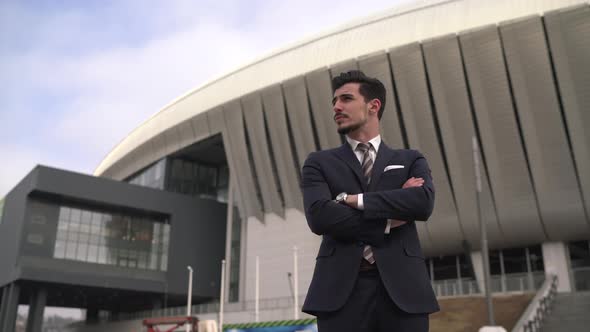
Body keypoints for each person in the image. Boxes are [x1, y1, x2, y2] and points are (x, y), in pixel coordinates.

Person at [301, 70, 439, 332]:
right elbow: (319, 216)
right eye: (334, 102)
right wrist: (388, 218)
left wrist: (353, 200)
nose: (336, 107)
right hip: (339, 293)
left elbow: (421, 203)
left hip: (404, 292)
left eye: (346, 99)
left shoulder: (411, 159)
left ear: (373, 106)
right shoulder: (318, 162)